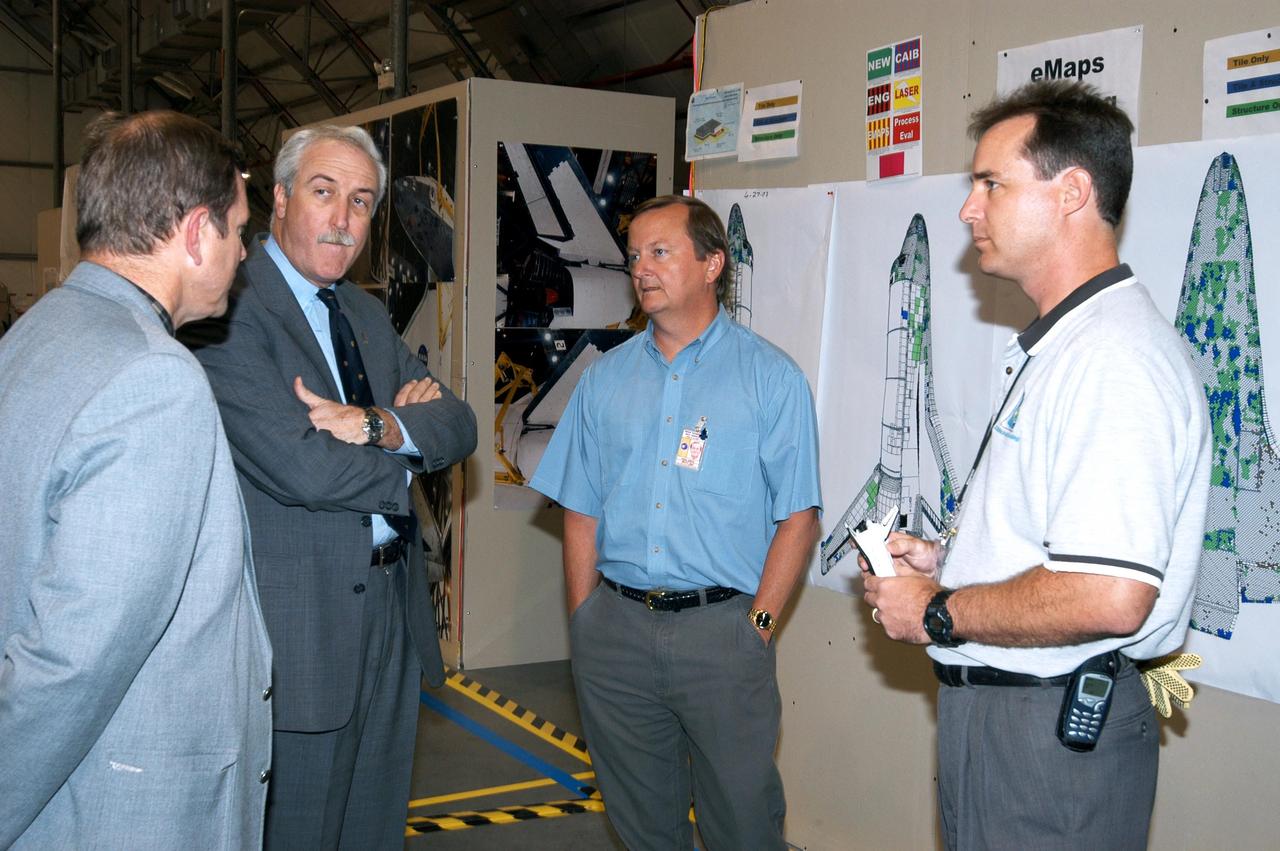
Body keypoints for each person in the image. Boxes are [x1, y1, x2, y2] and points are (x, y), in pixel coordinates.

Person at [863, 80, 1211, 850]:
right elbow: (1062, 546)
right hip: (1011, 718)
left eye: (991, 183)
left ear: (1071, 193)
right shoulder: (1072, 346)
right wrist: (952, 562)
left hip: (1045, 736)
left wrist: (938, 609)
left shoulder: (1113, 358)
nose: (968, 209)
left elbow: (1110, 593)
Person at [183, 124, 477, 849]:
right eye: (324, 193)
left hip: (390, 614)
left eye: (362, 202)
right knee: (299, 830)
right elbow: (302, 467)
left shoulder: (364, 314)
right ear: (278, 200)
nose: (345, 219)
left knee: (373, 828)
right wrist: (407, 450)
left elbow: (460, 422)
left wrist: (373, 424)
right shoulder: (231, 313)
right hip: (300, 627)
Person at [0, 111, 272, 848]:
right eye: (238, 229)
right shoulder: (154, 380)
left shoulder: (38, 332)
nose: (244, 254)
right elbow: (73, 659)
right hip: (122, 811)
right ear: (193, 235)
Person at [530, 195, 821, 850]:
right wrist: (586, 621)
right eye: (635, 255)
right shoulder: (604, 380)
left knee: (743, 823)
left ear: (713, 262)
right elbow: (580, 507)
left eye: (660, 251)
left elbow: (798, 516)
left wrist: (758, 629)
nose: (642, 267)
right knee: (642, 825)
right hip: (617, 635)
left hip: (723, 636)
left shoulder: (770, 378)